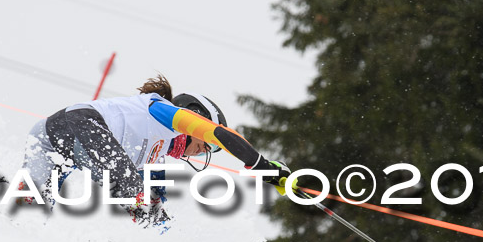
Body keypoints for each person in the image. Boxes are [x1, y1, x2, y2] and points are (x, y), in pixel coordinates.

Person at [17, 74, 291, 226]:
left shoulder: (155, 157)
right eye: (202, 147)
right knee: (134, 192)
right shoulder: (164, 112)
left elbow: (156, 209)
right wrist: (263, 166)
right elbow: (221, 135)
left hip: (57, 143)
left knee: (29, 214)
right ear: (195, 118)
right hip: (75, 126)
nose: (196, 154)